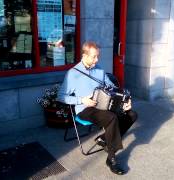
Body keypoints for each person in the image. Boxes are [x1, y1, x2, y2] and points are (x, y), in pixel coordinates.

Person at [57, 41, 137, 175]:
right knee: (111, 118)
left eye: (97, 56)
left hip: (104, 105)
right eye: (94, 57)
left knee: (132, 114)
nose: (97, 59)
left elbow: (113, 87)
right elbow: (61, 96)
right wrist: (81, 99)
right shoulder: (72, 74)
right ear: (84, 55)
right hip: (85, 109)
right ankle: (111, 158)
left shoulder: (99, 69)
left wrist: (125, 100)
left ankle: (105, 139)